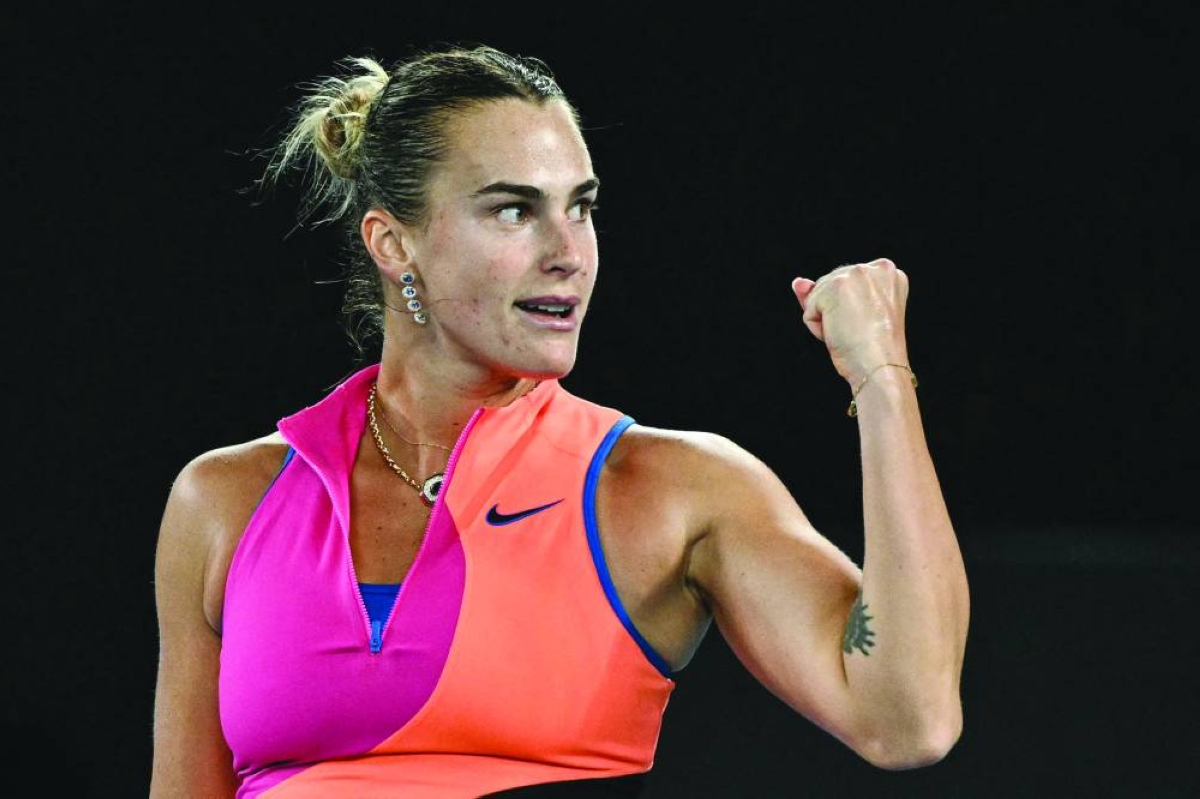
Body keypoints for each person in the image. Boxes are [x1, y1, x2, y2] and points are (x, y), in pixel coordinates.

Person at [150, 45, 969, 798]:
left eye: (581, 207)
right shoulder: (224, 501)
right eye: (513, 210)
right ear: (393, 243)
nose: (568, 251)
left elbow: (910, 716)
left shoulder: (669, 488)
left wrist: (882, 378)